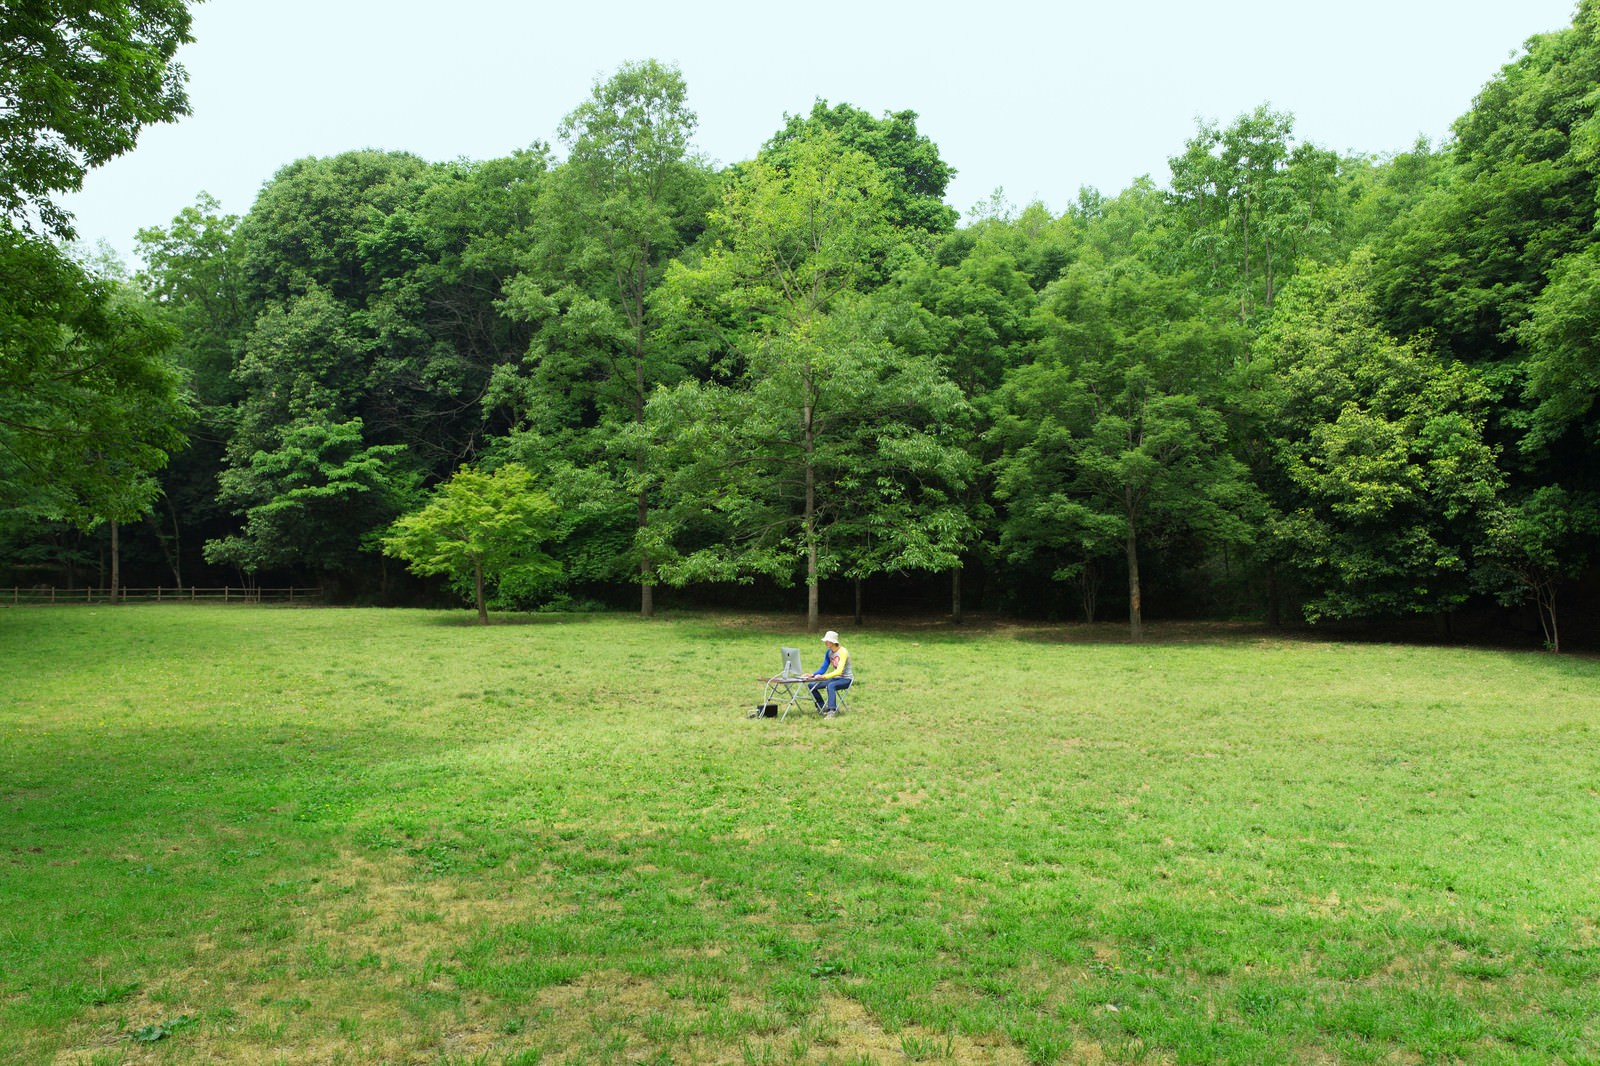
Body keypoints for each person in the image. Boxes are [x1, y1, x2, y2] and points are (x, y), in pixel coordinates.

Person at [807, 630, 853, 717]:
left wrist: (824, 677)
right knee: (811, 685)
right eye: (825, 640)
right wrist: (812, 675)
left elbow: (839, 671)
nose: (826, 642)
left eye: (828, 640)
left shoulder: (843, 651)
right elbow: (823, 668)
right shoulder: (829, 652)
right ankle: (821, 707)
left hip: (846, 679)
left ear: (834, 642)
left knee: (831, 685)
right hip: (835, 678)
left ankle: (832, 711)